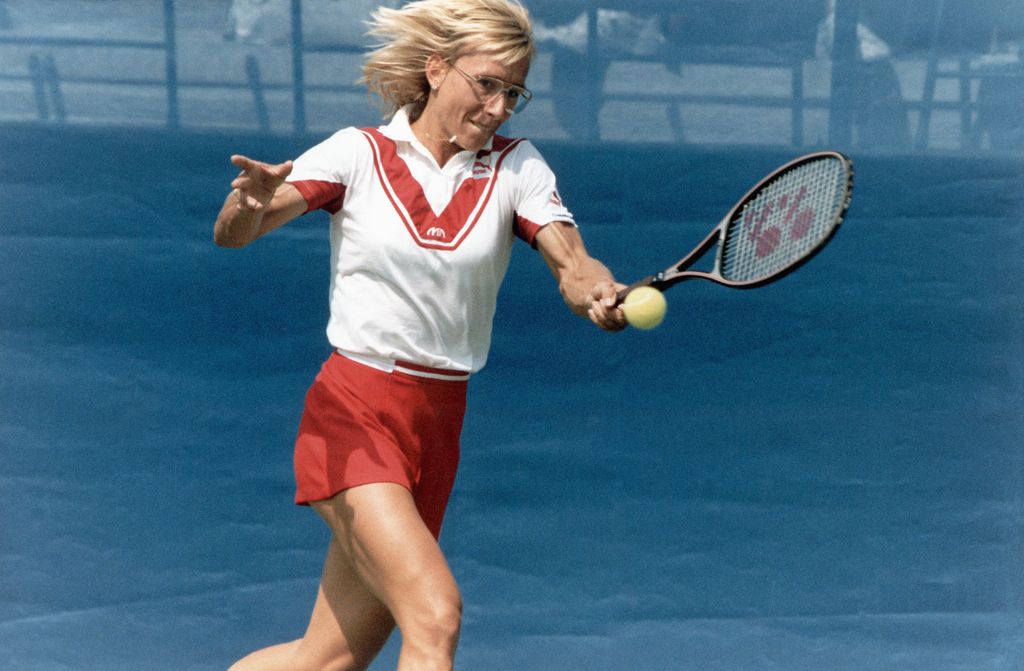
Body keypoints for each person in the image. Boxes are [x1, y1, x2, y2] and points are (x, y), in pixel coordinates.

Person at [212, 1, 627, 669]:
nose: (498, 107)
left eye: (513, 93)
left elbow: (574, 265)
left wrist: (597, 293)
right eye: (486, 84)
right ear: (436, 69)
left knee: (324, 659)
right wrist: (247, 202)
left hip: (436, 429)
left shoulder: (517, 168)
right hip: (354, 411)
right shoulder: (358, 153)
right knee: (435, 614)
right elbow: (237, 233)